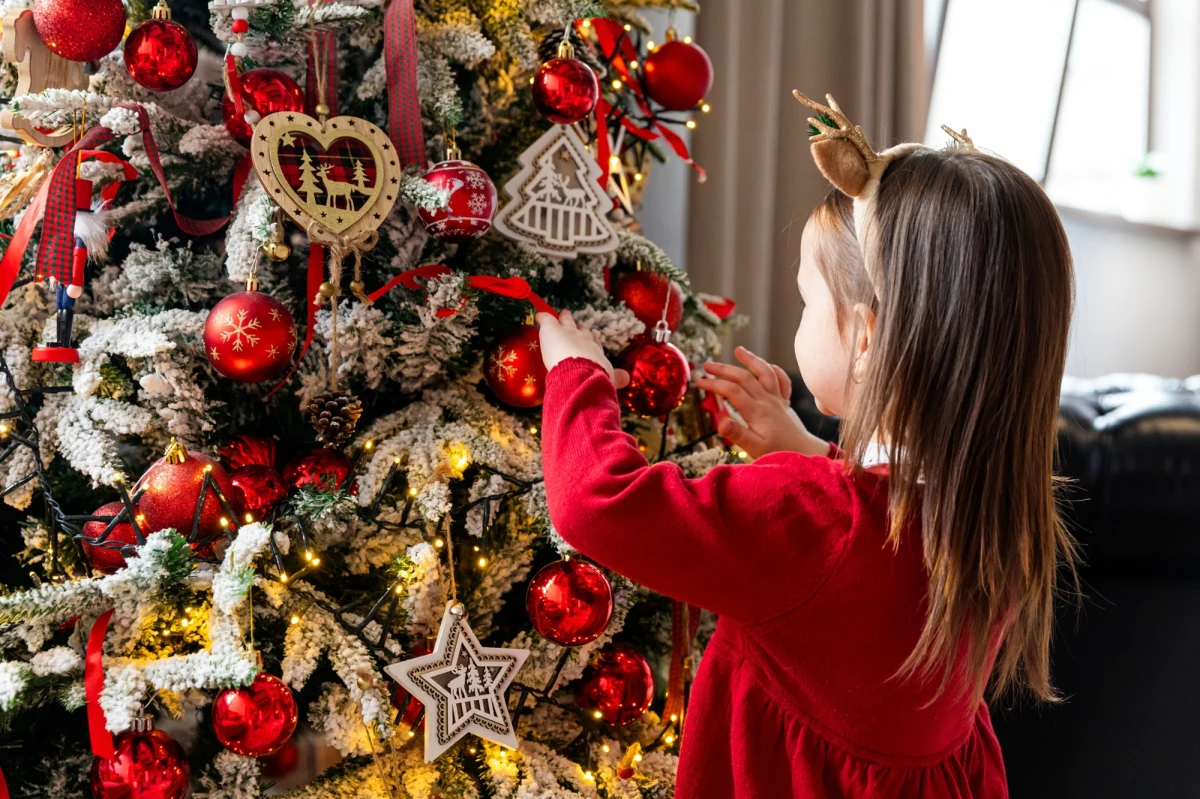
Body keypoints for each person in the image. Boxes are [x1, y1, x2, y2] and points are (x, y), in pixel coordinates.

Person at [536, 92, 1077, 798]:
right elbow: (873, 550)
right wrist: (797, 444)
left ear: (867, 334)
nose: (801, 318)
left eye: (806, 300)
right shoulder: (994, 508)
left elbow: (595, 504)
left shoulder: (803, 513)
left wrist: (575, 372)